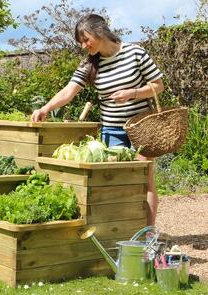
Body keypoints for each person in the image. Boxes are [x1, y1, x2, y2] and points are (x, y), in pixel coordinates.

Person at [31, 14, 164, 225]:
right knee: (115, 185)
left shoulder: (135, 53)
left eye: (86, 40)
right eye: (81, 42)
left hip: (142, 129)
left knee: (143, 183)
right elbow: (69, 91)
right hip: (112, 131)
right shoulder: (91, 64)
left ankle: (147, 235)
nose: (83, 46)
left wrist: (133, 93)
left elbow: (158, 86)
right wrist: (46, 108)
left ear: (99, 32)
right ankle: (122, 234)